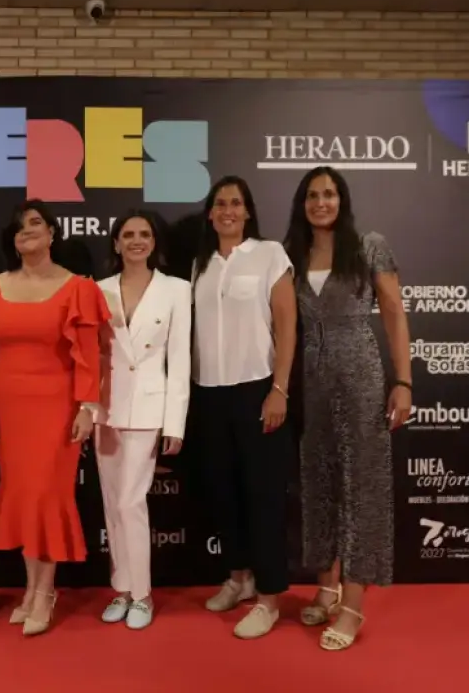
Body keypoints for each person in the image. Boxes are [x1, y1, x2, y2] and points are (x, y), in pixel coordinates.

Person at [282, 165, 413, 652]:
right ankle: (326, 587)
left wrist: (404, 382)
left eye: (329, 194)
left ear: (342, 200)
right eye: (313, 195)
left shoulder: (369, 246)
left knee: (362, 488)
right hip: (310, 382)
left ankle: (353, 604)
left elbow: (394, 313)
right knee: (319, 484)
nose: (321, 203)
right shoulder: (292, 253)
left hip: (360, 377)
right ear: (302, 204)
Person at [0, 199, 110, 637]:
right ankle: (30, 590)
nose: (27, 231)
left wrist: (88, 407)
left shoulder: (78, 289)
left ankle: (46, 592)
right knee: (22, 497)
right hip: (8, 409)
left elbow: (90, 354)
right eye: (19, 227)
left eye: (35, 223)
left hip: (57, 409)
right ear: (13, 241)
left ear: (51, 233)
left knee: (47, 497)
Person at [191, 175, 297, 640]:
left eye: (236, 203)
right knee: (223, 493)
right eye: (220, 204)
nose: (228, 211)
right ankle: (239, 578)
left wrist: (280, 388)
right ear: (210, 213)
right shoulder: (200, 264)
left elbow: (287, 324)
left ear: (248, 211)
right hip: (208, 392)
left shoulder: (270, 254)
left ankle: (269, 599)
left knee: (264, 496)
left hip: (258, 388)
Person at [94, 210, 192, 631]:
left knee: (131, 502)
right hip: (106, 408)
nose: (136, 241)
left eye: (144, 234)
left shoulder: (176, 289)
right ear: (116, 243)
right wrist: (88, 408)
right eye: (128, 234)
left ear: (154, 242)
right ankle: (121, 588)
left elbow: (180, 360)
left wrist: (175, 423)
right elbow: (92, 356)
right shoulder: (97, 290)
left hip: (150, 406)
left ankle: (142, 594)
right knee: (111, 502)